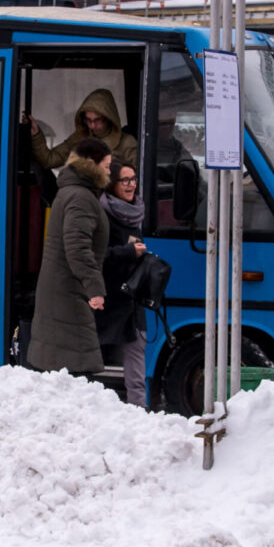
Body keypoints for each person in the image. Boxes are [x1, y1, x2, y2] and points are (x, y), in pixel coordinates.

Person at [27, 137, 113, 376]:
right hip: (69, 291)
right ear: (91, 165)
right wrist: (95, 287)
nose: (109, 171)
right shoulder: (81, 197)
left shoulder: (73, 193)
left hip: (64, 288)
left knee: (61, 367)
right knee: (76, 364)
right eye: (106, 166)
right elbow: (77, 247)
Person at [98, 159, 150, 407]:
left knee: (137, 352)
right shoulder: (102, 215)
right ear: (112, 184)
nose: (131, 185)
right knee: (96, 356)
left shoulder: (136, 211)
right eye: (124, 180)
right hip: (108, 298)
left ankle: (138, 410)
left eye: (133, 179)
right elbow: (96, 256)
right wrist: (128, 252)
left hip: (132, 298)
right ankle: (90, 409)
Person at [28, 88, 139, 170]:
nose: (92, 126)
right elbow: (49, 160)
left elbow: (136, 182)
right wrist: (36, 134)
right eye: (88, 120)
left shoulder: (127, 143)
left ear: (109, 118)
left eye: (97, 120)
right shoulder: (81, 137)